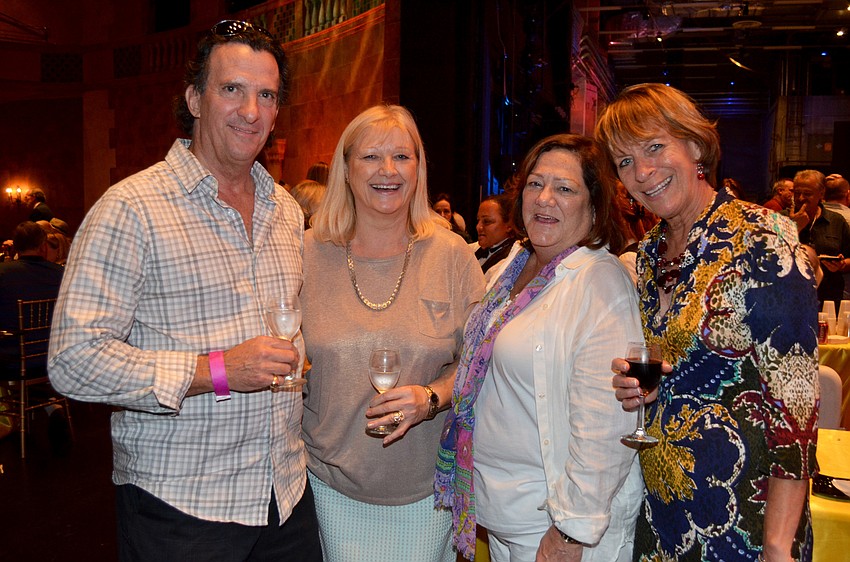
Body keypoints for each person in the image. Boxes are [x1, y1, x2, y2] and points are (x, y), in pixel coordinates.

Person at [48, 20, 322, 561]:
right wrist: (217, 370)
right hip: (182, 507)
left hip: (285, 493)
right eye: (232, 89)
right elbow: (72, 360)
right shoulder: (132, 208)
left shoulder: (286, 211)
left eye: (267, 95)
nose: (251, 111)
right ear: (195, 99)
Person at [596, 83, 819, 562]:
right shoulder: (650, 252)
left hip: (746, 523)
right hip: (663, 518)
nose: (642, 172)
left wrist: (777, 545)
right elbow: (685, 364)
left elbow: (797, 406)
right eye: (625, 161)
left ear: (695, 145)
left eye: (654, 147)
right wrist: (647, 390)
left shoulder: (762, 239)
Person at [435, 134, 643, 562]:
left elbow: (605, 426)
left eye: (565, 188)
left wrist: (570, 532)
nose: (545, 198)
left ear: (594, 205)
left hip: (553, 527)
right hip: (504, 516)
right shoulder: (514, 266)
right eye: (535, 183)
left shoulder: (600, 282)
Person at [301, 104, 485, 562]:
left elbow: (481, 362)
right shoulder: (305, 254)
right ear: (346, 169)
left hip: (426, 494)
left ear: (418, 168)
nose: (388, 170)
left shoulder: (452, 256)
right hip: (325, 486)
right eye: (371, 157)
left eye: (402, 156)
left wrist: (432, 397)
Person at [0, 222, 64, 378]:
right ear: (43, 246)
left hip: (11, 360)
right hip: (54, 356)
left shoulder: (3, 273)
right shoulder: (62, 274)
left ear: (15, 247)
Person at [793, 168, 850, 310]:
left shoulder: (836, 220)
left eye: (807, 194)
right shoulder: (779, 218)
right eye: (797, 193)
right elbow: (770, 257)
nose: (800, 198)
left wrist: (842, 264)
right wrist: (795, 228)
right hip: (791, 296)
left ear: (821, 194)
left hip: (829, 297)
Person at [470, 193, 515, 274]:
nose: (478, 227)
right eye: (478, 220)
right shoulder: (473, 249)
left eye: (487, 221)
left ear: (509, 225)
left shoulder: (511, 259)